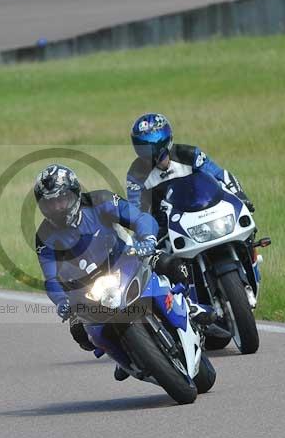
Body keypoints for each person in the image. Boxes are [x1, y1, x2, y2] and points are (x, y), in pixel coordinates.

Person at [33, 164, 215, 380]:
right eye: (50, 203)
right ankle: (126, 354)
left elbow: (139, 218)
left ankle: (188, 305)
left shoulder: (101, 201)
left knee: (170, 265)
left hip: (127, 258)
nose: (57, 207)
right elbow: (51, 278)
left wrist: (147, 239)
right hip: (87, 288)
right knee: (79, 333)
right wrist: (61, 302)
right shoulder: (44, 236)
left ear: (74, 194)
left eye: (61, 200)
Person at [126, 113, 254, 238]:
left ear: (165, 143)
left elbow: (220, 175)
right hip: (164, 229)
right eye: (143, 150)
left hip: (203, 213)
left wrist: (241, 197)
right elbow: (135, 210)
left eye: (153, 150)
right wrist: (143, 233)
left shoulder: (189, 155)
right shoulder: (136, 175)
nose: (152, 157)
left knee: (247, 234)